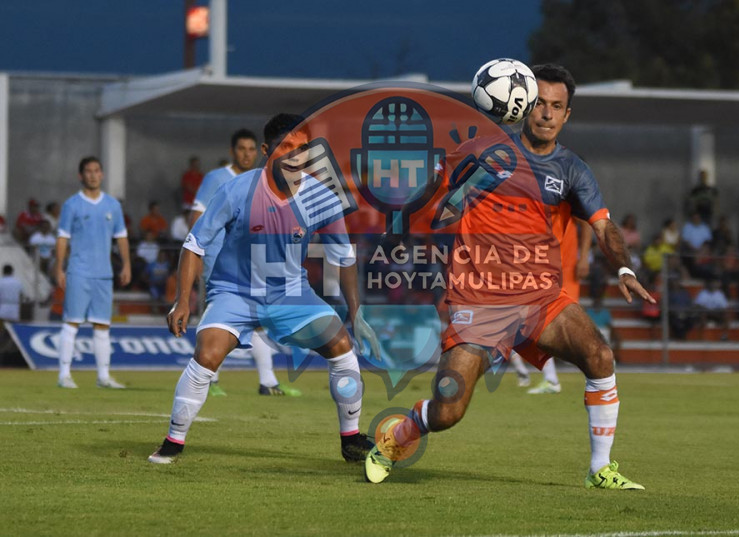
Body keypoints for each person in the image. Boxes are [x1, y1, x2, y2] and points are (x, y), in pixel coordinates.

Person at [365, 64, 654, 489]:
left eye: (557, 106)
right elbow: (430, 187)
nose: (547, 113)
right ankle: (397, 437)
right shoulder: (481, 152)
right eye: (540, 103)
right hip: (478, 299)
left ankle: (600, 469)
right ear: (522, 105)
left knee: (600, 355)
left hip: (540, 299)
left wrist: (625, 268)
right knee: (448, 411)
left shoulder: (572, 169)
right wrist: (398, 228)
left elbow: (603, 226)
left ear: (567, 114)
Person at [148, 114, 380, 464]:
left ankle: (351, 439)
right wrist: (182, 301)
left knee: (342, 347)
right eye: (286, 147)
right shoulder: (237, 190)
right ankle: (173, 442)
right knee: (207, 355)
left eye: (302, 148)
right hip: (234, 292)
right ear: (266, 150)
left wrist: (357, 312)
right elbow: (194, 244)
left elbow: (344, 257)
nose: (295, 156)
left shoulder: (322, 197)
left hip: (291, 293)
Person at [188, 128, 298, 397]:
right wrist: (197, 255)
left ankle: (267, 381)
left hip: (253, 262)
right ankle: (210, 379)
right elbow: (197, 216)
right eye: (241, 149)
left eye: (251, 149)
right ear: (232, 151)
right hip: (218, 260)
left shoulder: (262, 180)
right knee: (216, 316)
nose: (246, 154)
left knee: (258, 317)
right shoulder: (216, 178)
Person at [54, 156, 131, 389]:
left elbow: (121, 237)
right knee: (72, 322)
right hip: (78, 271)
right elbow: (62, 237)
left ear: (102, 174)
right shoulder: (71, 205)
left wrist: (126, 264)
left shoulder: (113, 205)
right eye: (88, 171)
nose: (93, 175)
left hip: (104, 274)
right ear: (81, 175)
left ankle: (103, 377)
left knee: (102, 325)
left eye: (97, 170)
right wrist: (59, 267)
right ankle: (64, 375)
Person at [525, 217, 592, 395]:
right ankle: (551, 378)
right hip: (540, 269)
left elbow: (586, 222)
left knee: (569, 321)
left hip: (565, 268)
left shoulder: (564, 201)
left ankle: (599, 359)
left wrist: (584, 257)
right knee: (536, 323)